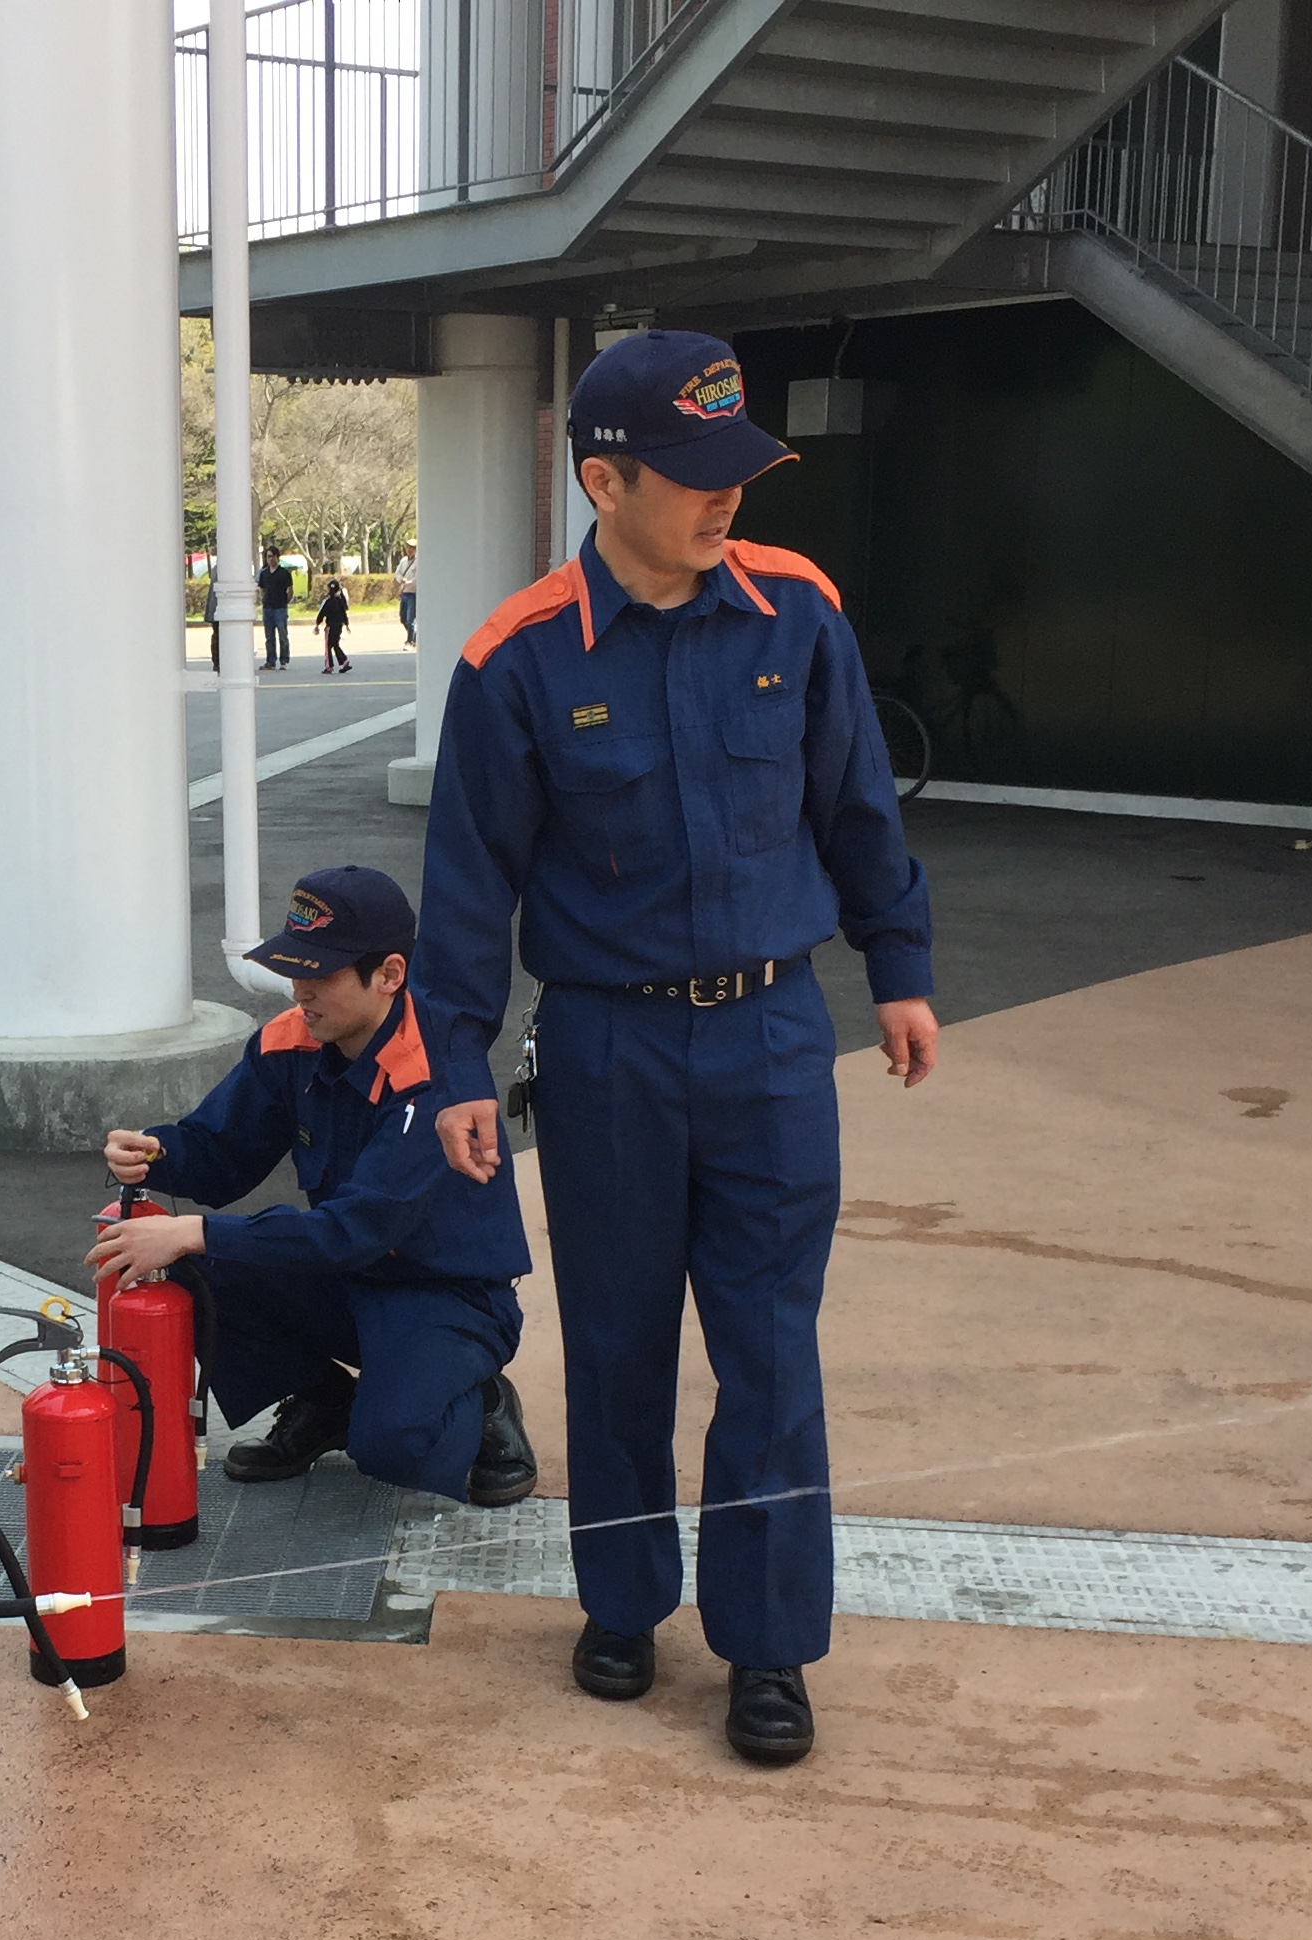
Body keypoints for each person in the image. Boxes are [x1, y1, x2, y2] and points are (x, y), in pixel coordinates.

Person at [415, 330, 938, 1770]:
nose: (729, 503)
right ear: (605, 480)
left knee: (772, 1350)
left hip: (773, 1034)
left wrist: (899, 971)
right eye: (697, 479)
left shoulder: (796, 613)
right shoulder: (516, 660)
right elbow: (471, 883)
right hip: (606, 1052)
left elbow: (857, 810)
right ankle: (626, 1601)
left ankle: (767, 1646)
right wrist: (456, 1063)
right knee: (624, 1341)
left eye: (740, 472)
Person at [91, 865, 536, 1508]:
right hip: (348, 1279)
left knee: (387, 1447)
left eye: (320, 974)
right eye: (294, 969)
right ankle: (326, 1403)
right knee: (191, 1271)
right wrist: (154, 1154)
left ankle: (482, 1399)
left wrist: (190, 1230)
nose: (301, 991)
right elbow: (220, 1153)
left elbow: (354, 1230)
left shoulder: (435, 1080)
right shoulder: (292, 1040)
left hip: (442, 1295)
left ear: (388, 975)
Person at [258, 547, 293, 670]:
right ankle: (270, 661)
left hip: (280, 608)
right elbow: (261, 588)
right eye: (268, 556)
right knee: (269, 636)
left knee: (283, 634)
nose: (270, 559)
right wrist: (263, 599)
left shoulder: (284, 573)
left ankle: (284, 661)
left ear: (277, 557)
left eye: (272, 556)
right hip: (267, 608)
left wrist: (285, 601)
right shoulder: (264, 573)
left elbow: (290, 589)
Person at [318, 572, 353, 674]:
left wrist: (317, 624)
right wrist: (346, 625)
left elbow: (322, 613)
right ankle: (344, 661)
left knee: (328, 646)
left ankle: (329, 666)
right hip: (339, 626)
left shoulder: (328, 601)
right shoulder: (340, 601)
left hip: (330, 627)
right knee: (335, 644)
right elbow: (344, 614)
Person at [397, 542, 417, 644]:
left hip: (413, 594)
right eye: (408, 547)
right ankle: (415, 637)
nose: (410, 550)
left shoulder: (418, 562)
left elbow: (417, 578)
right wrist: (401, 580)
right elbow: (398, 573)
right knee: (403, 618)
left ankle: (410, 641)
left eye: (412, 548)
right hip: (404, 592)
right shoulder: (403, 561)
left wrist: (408, 582)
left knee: (410, 619)